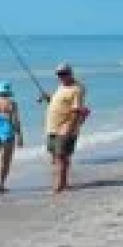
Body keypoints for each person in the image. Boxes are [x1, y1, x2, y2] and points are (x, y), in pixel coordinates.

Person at [41, 62, 88, 193]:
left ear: (70, 73)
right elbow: (61, 103)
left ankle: (58, 187)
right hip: (52, 128)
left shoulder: (76, 89)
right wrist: (49, 98)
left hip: (64, 128)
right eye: (59, 74)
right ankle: (64, 183)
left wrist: (69, 128)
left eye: (64, 74)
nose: (61, 76)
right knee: (56, 157)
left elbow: (76, 110)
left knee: (61, 157)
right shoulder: (61, 87)